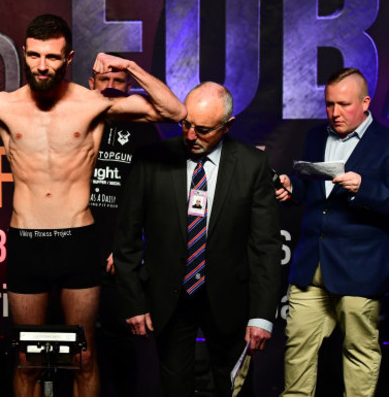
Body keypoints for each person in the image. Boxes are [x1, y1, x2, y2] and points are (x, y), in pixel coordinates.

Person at [0, 14, 186, 397]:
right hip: (27, 240)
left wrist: (130, 68)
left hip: (79, 241)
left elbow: (176, 113)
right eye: (35, 55)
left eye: (52, 57)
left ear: (68, 58)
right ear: (23, 53)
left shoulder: (93, 104)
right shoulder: (1, 105)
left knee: (84, 358)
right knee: (28, 360)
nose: (42, 65)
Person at [113, 81, 282, 396]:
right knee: (173, 387)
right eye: (186, 124)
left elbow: (266, 248)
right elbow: (126, 240)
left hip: (230, 301)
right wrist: (134, 302)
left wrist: (262, 315)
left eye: (203, 129)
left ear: (227, 126)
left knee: (234, 387)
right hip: (170, 299)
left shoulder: (251, 165)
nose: (191, 135)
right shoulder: (152, 160)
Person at [276, 68, 389, 397]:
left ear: (365, 103)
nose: (335, 113)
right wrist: (291, 188)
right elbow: (312, 188)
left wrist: (363, 187)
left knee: (359, 355)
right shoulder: (315, 136)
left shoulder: (385, 142)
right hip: (311, 267)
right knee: (297, 354)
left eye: (343, 104)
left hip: (359, 271)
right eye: (329, 104)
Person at [87, 67, 161, 397]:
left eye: (119, 82)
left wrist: (129, 248)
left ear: (130, 86)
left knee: (123, 352)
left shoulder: (143, 127)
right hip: (80, 253)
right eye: (105, 81)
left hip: (122, 258)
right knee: (81, 348)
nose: (112, 87)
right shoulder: (79, 120)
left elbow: (157, 196)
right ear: (91, 84)